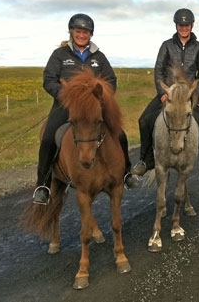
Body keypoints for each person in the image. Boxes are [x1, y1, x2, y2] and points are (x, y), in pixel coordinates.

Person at [33, 13, 138, 205]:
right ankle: (43, 185)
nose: (82, 35)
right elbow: (49, 80)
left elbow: (111, 81)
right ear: (72, 32)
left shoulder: (99, 57)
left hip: (94, 109)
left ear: (91, 34)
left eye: (86, 32)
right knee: (48, 138)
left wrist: (102, 98)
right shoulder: (60, 55)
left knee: (120, 134)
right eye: (78, 31)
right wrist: (66, 95)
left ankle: (126, 173)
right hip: (66, 106)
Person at [132, 8, 199, 178]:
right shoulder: (167, 45)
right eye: (180, 24)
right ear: (176, 26)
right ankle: (145, 160)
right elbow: (158, 70)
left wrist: (195, 95)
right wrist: (163, 92)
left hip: (189, 95)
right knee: (144, 120)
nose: (184, 27)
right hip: (168, 93)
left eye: (187, 25)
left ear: (192, 26)